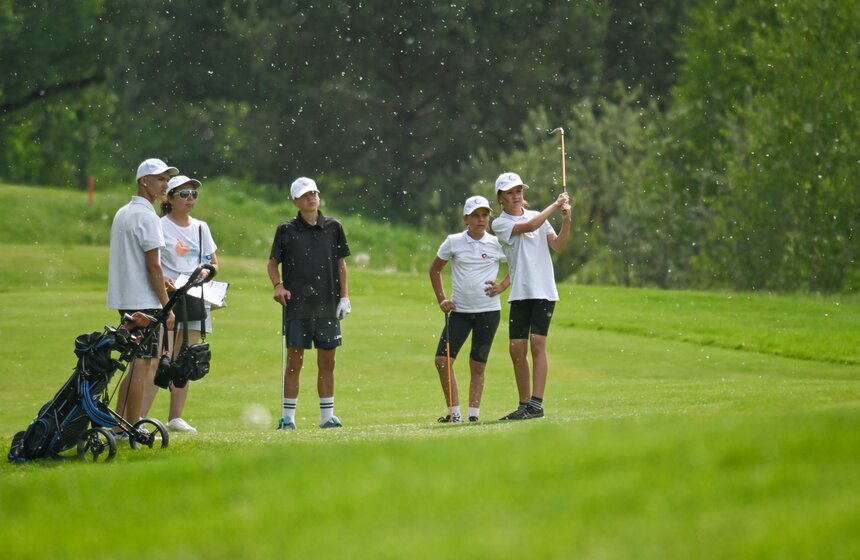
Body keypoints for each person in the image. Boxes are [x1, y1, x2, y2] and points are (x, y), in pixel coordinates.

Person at [267, 177, 351, 430]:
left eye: (314, 193)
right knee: (295, 362)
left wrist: (345, 296)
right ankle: (288, 419)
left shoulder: (333, 226)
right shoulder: (286, 229)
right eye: (305, 195)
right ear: (295, 201)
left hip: (327, 304)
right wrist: (278, 285)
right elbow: (273, 264)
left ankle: (327, 417)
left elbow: (341, 264)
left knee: (328, 362)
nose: (311, 198)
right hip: (298, 306)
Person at [140, 174, 219, 433]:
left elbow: (213, 262)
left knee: (186, 358)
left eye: (193, 194)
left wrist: (208, 271)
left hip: (196, 296)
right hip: (168, 298)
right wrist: (167, 282)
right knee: (160, 358)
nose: (190, 199)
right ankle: (139, 418)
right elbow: (153, 263)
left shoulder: (201, 227)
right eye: (183, 194)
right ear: (170, 198)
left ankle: (175, 418)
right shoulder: (159, 225)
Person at [491, 172, 571, 420]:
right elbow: (529, 227)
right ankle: (524, 404)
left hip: (543, 290)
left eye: (518, 191)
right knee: (516, 349)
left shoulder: (539, 216)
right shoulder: (500, 224)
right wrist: (556, 204)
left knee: (537, 344)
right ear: (501, 198)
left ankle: (536, 405)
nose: (516, 196)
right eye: (510, 193)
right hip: (519, 292)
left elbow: (558, 246)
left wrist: (567, 220)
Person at [108, 158, 178, 433]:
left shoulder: (122, 212)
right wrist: (166, 306)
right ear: (143, 182)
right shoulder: (148, 216)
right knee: (142, 365)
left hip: (126, 297)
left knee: (137, 362)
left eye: (165, 179)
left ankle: (118, 425)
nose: (164, 184)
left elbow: (142, 262)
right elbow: (153, 265)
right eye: (159, 179)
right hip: (144, 301)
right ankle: (133, 426)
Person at [429, 195, 509, 423]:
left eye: (484, 215)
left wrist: (502, 285)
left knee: (477, 364)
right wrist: (442, 299)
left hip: (489, 312)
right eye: (475, 215)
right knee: (442, 361)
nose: (480, 220)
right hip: (460, 312)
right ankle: (454, 414)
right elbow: (434, 270)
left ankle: (473, 416)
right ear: (466, 218)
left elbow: (516, 263)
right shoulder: (454, 242)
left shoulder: (496, 243)